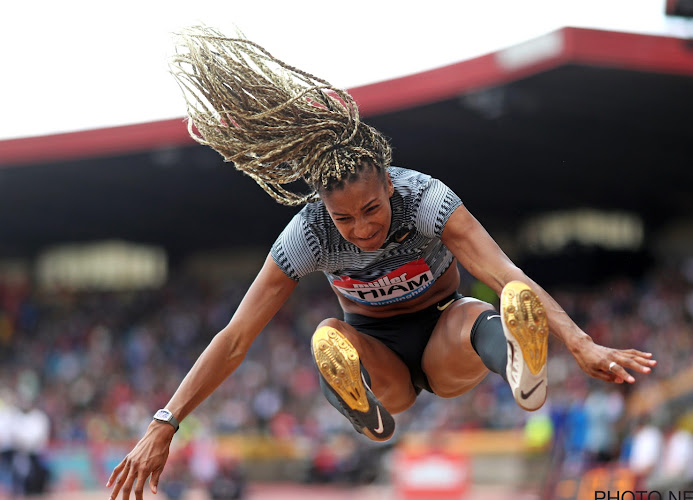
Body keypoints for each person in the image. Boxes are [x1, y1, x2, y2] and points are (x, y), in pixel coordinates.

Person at [106, 26, 656, 499]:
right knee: (328, 335)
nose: (363, 227)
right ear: (325, 210)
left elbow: (507, 272)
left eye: (371, 208)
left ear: (390, 185)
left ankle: (517, 359)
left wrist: (581, 344)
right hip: (378, 352)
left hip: (445, 330)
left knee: (483, 309)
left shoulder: (426, 200)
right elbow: (235, 337)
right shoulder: (309, 232)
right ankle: (362, 406)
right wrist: (166, 420)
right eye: (345, 219)